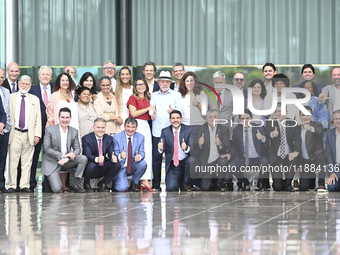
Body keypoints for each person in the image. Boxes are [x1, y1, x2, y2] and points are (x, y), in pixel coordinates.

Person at [6, 75, 41, 193]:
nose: (24, 86)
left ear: (30, 86)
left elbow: (38, 119)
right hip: (14, 132)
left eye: (27, 84)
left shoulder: (35, 99)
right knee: (13, 161)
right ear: (19, 84)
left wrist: (37, 135)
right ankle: (11, 185)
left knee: (27, 162)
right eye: (23, 83)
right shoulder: (11, 97)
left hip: (29, 134)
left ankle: (24, 185)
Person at [149, 71, 183, 191]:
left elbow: (180, 111)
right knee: (156, 160)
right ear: (158, 83)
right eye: (162, 82)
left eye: (167, 82)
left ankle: (174, 182)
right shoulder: (153, 95)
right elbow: (151, 109)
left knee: (172, 158)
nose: (164, 84)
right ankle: (156, 184)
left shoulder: (176, 94)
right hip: (157, 132)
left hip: (171, 132)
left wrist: (173, 110)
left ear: (170, 83)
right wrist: (151, 114)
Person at [41, 107, 88, 193]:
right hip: (52, 161)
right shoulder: (49, 130)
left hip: (66, 161)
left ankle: (74, 184)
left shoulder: (74, 131)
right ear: (58, 117)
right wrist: (62, 156)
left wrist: (68, 158)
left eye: (67, 117)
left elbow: (78, 149)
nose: (65, 120)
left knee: (83, 158)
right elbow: (47, 149)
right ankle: (48, 180)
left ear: (70, 118)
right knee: (57, 189)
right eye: (62, 117)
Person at [225, 109, 269, 191]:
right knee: (231, 165)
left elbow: (268, 143)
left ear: (251, 119)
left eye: (247, 118)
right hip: (244, 158)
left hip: (258, 158)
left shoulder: (259, 127)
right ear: (239, 120)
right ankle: (243, 181)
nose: (245, 121)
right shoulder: (236, 130)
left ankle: (261, 183)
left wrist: (262, 138)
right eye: (243, 119)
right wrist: (229, 154)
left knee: (265, 161)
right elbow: (234, 146)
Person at [28, 65, 54, 191]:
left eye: (47, 74)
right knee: (34, 156)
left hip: (52, 128)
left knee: (50, 157)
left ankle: (47, 184)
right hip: (36, 129)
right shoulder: (32, 90)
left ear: (51, 76)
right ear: (39, 76)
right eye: (43, 74)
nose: (45, 76)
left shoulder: (56, 89)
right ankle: (32, 182)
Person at [265, 103, 301, 191]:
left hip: (289, 154)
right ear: (274, 112)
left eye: (283, 111)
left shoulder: (292, 123)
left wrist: (295, 152)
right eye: (278, 111)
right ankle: (280, 183)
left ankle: (288, 183)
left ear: (287, 112)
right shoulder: (270, 123)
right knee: (277, 188)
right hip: (276, 156)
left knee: (293, 159)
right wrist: (272, 134)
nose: (280, 113)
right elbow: (267, 134)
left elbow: (298, 138)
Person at [127, 77, 155, 191]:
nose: (140, 86)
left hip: (146, 125)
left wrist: (153, 114)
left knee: (147, 152)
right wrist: (148, 109)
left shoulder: (149, 97)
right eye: (138, 84)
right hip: (135, 125)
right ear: (135, 86)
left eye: (142, 84)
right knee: (135, 151)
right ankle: (134, 180)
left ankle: (145, 180)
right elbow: (133, 113)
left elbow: (152, 113)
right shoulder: (133, 98)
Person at [194, 109, 230, 191]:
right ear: (206, 119)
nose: (213, 119)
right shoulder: (201, 128)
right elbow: (195, 145)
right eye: (210, 117)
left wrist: (220, 144)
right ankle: (213, 180)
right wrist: (199, 143)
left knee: (223, 161)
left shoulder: (224, 129)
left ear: (218, 118)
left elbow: (227, 146)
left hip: (218, 159)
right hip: (207, 162)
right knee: (205, 188)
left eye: (215, 117)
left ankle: (219, 184)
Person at [82, 118, 120, 192]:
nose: (100, 130)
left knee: (117, 164)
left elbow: (111, 153)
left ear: (105, 128)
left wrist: (113, 158)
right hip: (91, 167)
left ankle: (103, 183)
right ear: (94, 127)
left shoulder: (109, 139)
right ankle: (86, 184)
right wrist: (97, 159)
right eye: (98, 127)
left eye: (103, 127)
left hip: (102, 166)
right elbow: (87, 155)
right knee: (91, 165)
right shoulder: (86, 138)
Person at [158, 110, 192, 191]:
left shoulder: (188, 130)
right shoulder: (165, 131)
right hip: (173, 165)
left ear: (181, 119)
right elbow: (162, 148)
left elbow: (194, 149)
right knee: (170, 188)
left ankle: (185, 183)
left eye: (177, 118)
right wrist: (160, 148)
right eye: (173, 118)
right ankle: (179, 181)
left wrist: (186, 148)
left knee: (192, 160)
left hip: (186, 162)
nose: (175, 120)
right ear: (170, 120)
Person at [112, 117, 147, 192]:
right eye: (128, 127)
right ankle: (116, 181)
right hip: (121, 167)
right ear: (124, 126)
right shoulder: (116, 137)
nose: (130, 129)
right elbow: (115, 154)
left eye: (133, 127)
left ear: (136, 128)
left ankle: (134, 183)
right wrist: (120, 156)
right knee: (121, 188)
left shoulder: (141, 137)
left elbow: (142, 153)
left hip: (133, 165)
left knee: (143, 164)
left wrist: (139, 157)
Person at [298, 106, 327, 192]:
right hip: (306, 161)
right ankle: (313, 181)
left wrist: (310, 128)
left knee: (321, 157)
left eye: (308, 115)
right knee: (303, 187)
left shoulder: (317, 125)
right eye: (303, 115)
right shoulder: (298, 128)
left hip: (316, 158)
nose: (305, 117)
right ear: (300, 117)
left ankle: (321, 184)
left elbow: (319, 131)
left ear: (311, 116)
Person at [0, 67, 12, 193]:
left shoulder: (5, 91)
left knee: (2, 159)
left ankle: (1, 184)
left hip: (4, 130)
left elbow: (4, 111)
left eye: (2, 77)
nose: (0, 79)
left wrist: (3, 124)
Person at [327, 110, 340, 192]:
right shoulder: (330, 134)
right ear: (333, 120)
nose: (338, 121)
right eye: (336, 119)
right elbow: (329, 154)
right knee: (331, 187)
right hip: (337, 169)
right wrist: (332, 172)